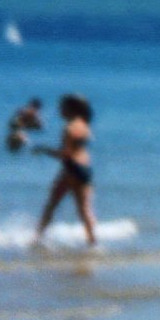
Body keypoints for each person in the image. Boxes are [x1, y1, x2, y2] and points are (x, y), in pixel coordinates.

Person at [33, 94, 97, 249]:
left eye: (62, 107)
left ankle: (37, 239)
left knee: (51, 205)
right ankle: (93, 243)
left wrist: (44, 150)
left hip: (71, 169)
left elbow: (65, 154)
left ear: (70, 109)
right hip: (86, 169)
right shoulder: (85, 125)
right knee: (85, 210)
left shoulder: (68, 128)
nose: (59, 110)